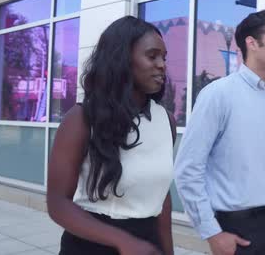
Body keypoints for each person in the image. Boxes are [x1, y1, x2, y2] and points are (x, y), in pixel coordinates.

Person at [174, 10, 265, 255]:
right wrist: (211, 232)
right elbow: (188, 169)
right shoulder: (218, 95)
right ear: (252, 43)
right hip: (242, 231)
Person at [47, 16, 176, 255]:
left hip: (147, 244)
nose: (162, 65)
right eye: (152, 56)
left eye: (164, 57)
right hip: (91, 244)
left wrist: (168, 252)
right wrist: (123, 241)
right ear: (122, 60)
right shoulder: (82, 118)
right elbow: (57, 203)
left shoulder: (165, 120)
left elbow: (162, 198)